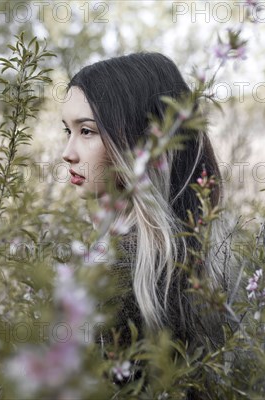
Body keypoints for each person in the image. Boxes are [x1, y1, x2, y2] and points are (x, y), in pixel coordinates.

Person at [60, 52, 238, 388]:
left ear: (140, 140)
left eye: (86, 131)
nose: (67, 152)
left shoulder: (127, 268)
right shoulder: (192, 251)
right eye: (67, 131)